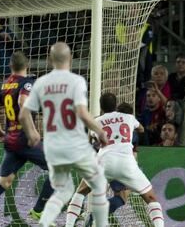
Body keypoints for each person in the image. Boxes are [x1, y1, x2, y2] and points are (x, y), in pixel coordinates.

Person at [19, 42, 109, 227]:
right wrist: (100, 131)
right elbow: (83, 114)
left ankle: (40, 213)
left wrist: (32, 133)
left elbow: (23, 113)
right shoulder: (76, 81)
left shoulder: (41, 82)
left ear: (50, 59)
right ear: (70, 59)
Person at [0, 51, 54, 226]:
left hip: (10, 139)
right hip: (24, 138)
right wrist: (32, 131)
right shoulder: (27, 83)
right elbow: (23, 103)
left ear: (10, 66)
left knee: (5, 181)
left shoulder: (5, 85)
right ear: (27, 65)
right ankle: (38, 210)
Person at [67, 93, 164, 227]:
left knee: (81, 192)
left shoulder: (95, 121)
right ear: (115, 104)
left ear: (101, 106)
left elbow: (91, 141)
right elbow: (141, 129)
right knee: (151, 198)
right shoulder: (128, 117)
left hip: (104, 162)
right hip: (126, 164)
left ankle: (69, 224)